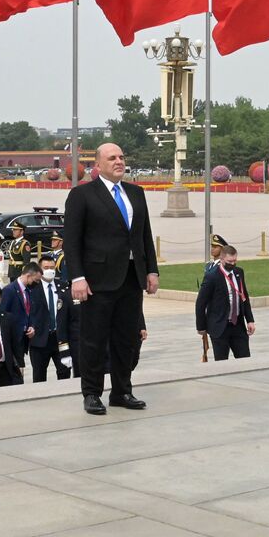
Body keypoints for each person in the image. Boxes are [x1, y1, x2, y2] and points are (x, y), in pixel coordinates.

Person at [64, 142, 159, 415]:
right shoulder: (82, 195)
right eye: (112, 158)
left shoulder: (136, 193)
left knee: (126, 339)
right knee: (93, 339)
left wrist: (151, 270)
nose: (119, 161)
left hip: (131, 278)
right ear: (98, 165)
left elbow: (144, 237)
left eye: (121, 157)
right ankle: (92, 393)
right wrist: (78, 277)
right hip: (97, 280)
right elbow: (72, 242)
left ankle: (121, 391)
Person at [196, 244, 256, 361]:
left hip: (237, 325)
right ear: (222, 259)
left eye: (235, 261)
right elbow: (200, 303)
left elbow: (244, 297)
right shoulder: (212, 276)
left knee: (245, 359)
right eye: (229, 261)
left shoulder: (239, 273)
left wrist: (250, 320)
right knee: (221, 363)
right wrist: (201, 327)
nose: (233, 264)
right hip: (219, 326)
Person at [29, 260, 73, 382]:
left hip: (61, 339)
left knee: (64, 373)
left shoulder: (63, 286)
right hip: (40, 339)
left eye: (52, 268)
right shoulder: (32, 287)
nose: (49, 270)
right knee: (39, 376)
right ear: (40, 269)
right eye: (46, 267)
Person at [0, 263, 44, 365]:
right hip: (12, 339)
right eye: (36, 280)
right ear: (28, 276)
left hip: (22, 339)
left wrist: (31, 326)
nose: (37, 283)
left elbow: (29, 312)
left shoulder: (27, 290)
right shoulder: (9, 290)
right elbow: (3, 315)